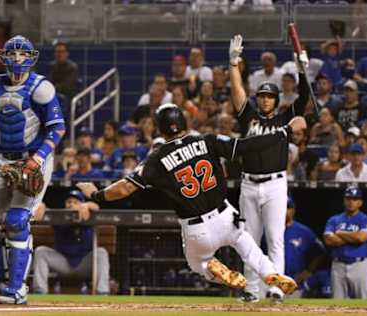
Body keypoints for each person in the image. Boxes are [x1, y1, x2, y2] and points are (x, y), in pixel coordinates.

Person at [78, 104, 306, 298]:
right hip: (226, 216)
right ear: (183, 122)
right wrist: (284, 131)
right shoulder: (206, 141)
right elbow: (247, 146)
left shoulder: (157, 159)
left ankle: (214, 270)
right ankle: (269, 272)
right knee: (247, 246)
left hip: (197, 230)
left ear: (161, 128)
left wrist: (95, 194)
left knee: (198, 264)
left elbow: (125, 188)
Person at [0, 35, 66, 304]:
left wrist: (39, 158)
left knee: (17, 221)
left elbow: (57, 128)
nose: (18, 59)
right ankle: (1, 282)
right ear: (4, 57)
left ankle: (18, 289)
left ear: (31, 58)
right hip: (5, 161)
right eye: (13, 54)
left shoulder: (41, 88)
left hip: (33, 160)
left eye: (23, 55)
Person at [229, 34, 310, 303]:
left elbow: (305, 97)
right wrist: (233, 65)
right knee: (249, 239)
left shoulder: (285, 117)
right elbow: (237, 95)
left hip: (276, 183)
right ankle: (252, 289)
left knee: (275, 238)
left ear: (276, 100)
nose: (265, 100)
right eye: (262, 96)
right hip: (249, 183)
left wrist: (301, 70)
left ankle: (276, 287)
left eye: (269, 96)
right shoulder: (249, 117)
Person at [32, 191, 110, 294]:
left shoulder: (88, 214)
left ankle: (102, 292)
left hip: (84, 264)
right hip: (63, 263)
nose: (72, 204)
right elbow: (45, 211)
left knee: (101, 252)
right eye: (69, 202)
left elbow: (96, 207)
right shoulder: (59, 217)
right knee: (41, 251)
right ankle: (39, 291)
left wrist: (87, 205)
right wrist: (40, 205)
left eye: (75, 202)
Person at [323, 186, 367, 299]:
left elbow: (361, 238)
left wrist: (340, 232)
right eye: (348, 198)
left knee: (364, 302)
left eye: (355, 199)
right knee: (338, 303)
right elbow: (329, 240)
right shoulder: (334, 220)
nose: (351, 202)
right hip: (338, 265)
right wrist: (352, 238)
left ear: (360, 202)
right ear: (344, 200)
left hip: (359, 265)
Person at [284, 197, 326, 298]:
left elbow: (320, 252)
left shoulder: (304, 231)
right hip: (273, 281)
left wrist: (309, 271)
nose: (285, 211)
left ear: (293, 210)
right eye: (283, 207)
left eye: (288, 208)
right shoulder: (268, 230)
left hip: (295, 282)